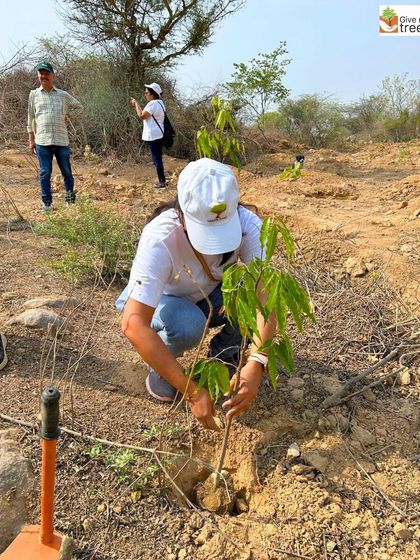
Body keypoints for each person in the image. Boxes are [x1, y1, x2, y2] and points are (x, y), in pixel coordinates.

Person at [117, 158, 276, 431]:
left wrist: (258, 361)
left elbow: (265, 297)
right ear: (181, 214)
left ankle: (222, 362)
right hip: (166, 302)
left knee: (244, 296)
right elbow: (133, 323)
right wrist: (191, 391)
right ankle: (163, 371)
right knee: (188, 325)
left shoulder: (250, 226)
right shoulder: (160, 237)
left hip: (210, 295)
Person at [27, 62, 82, 211]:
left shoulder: (62, 95)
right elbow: (30, 118)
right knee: (45, 173)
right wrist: (31, 140)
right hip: (42, 140)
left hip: (61, 140)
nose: (43, 76)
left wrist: (68, 116)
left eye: (47, 73)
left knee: (67, 172)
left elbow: (79, 107)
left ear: (53, 76)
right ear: (39, 76)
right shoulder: (34, 95)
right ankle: (46, 203)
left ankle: (70, 200)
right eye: (41, 73)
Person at [130, 82, 167, 189]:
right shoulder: (160, 103)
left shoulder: (153, 104)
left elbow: (142, 116)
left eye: (146, 92)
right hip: (159, 134)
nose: (145, 94)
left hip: (153, 135)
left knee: (156, 159)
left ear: (152, 94)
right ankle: (162, 180)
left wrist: (136, 104)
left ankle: (162, 182)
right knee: (158, 158)